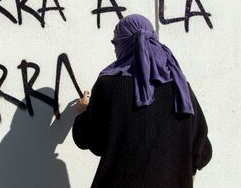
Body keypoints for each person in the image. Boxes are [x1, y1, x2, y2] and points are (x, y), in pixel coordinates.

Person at [72, 14, 212, 188]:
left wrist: (83, 111)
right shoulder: (181, 88)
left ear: (124, 44)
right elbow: (201, 153)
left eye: (116, 43)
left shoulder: (109, 84)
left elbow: (91, 141)